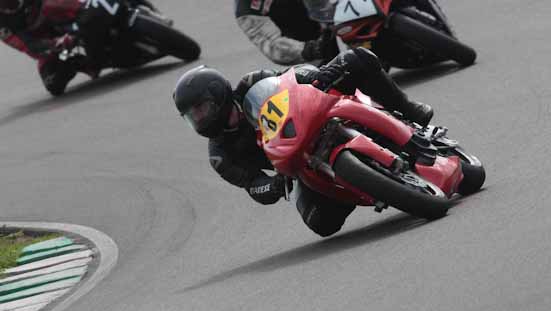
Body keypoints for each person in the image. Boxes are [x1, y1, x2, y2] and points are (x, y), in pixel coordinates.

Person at [173, 47, 433, 237]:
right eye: (191, 116)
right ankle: (363, 183)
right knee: (320, 223)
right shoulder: (220, 155)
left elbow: (290, 78)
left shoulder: (252, 83)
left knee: (356, 58)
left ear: (217, 94)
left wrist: (316, 77)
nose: (198, 119)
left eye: (200, 109)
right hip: (298, 165)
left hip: (316, 118)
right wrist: (274, 185)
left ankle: (409, 112)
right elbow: (253, 186)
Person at [0, 0, 122, 95]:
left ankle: (97, 15)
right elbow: (29, 46)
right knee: (53, 84)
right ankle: (82, 63)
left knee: (50, 5)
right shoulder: (3, 26)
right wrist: (55, 44)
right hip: (50, 42)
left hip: (67, 17)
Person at [235, 0, 338, 65]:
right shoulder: (246, 10)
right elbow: (272, 45)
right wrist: (309, 50)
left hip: (332, 24)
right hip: (308, 52)